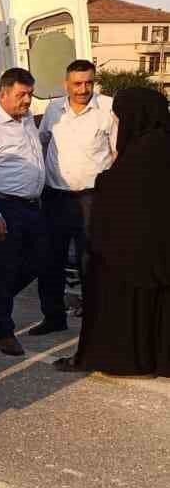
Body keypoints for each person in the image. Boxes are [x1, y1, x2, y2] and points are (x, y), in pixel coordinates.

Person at [55, 88, 170, 377]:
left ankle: (129, 361)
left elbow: (118, 198)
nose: (118, 126)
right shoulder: (162, 146)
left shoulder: (139, 156)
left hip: (130, 255)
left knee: (122, 301)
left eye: (120, 119)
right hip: (160, 254)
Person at [0, 69, 56, 357]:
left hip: (32, 206)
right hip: (3, 207)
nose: (27, 100)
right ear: (3, 95)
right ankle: (4, 331)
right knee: (3, 270)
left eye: (30, 94)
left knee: (40, 262)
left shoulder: (27, 120)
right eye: (21, 95)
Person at [38, 59, 116, 331]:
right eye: (77, 83)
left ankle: (95, 322)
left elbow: (115, 152)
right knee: (51, 260)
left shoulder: (107, 108)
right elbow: (42, 142)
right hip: (56, 197)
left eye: (88, 83)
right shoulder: (53, 109)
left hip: (91, 199)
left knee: (90, 260)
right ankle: (53, 318)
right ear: (66, 84)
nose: (83, 89)